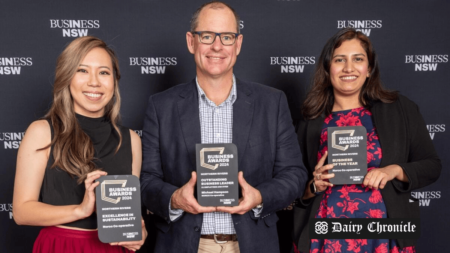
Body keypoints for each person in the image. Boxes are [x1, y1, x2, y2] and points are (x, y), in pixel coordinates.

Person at [140, 1, 307, 253]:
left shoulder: (271, 103)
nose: (217, 46)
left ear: (237, 44)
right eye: (207, 36)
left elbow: (294, 174)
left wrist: (259, 197)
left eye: (226, 37)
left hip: (252, 244)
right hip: (183, 244)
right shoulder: (160, 106)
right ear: (191, 41)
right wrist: (174, 199)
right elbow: (146, 180)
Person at [293, 28, 441, 253]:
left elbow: (432, 166)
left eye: (358, 59)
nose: (348, 68)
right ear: (327, 68)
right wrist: (313, 186)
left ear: (369, 68)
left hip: (384, 233)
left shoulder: (400, 109)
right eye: (339, 60)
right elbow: (292, 185)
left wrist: (393, 170)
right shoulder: (310, 119)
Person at [12, 36, 147, 253]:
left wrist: (138, 233)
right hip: (60, 246)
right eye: (82, 70)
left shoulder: (131, 140)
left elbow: (130, 214)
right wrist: (80, 210)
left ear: (114, 80)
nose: (94, 82)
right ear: (67, 77)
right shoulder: (42, 132)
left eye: (104, 72)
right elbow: (21, 212)